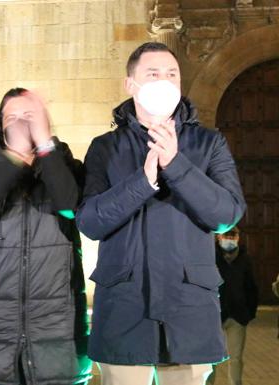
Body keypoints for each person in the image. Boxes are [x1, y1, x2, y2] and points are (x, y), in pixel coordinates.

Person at [76, 42, 246, 385]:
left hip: (188, 310)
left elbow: (227, 213)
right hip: (125, 310)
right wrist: (144, 181)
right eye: (153, 74)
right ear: (131, 84)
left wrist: (176, 165)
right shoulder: (105, 148)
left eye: (172, 75)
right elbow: (90, 221)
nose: (164, 82)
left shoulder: (209, 144)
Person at [0, 88, 92, 385]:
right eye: (11, 117)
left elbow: (69, 205)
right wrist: (12, 159)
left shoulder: (64, 163)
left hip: (55, 318)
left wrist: (44, 148)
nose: (20, 123)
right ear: (0, 125)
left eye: (29, 116)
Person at [207, 227, 258, 385]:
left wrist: (249, 313)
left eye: (233, 235)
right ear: (218, 238)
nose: (229, 239)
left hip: (237, 316)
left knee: (235, 358)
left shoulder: (245, 259)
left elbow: (251, 287)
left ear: (238, 238)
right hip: (215, 316)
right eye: (226, 235)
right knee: (211, 358)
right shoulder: (210, 257)